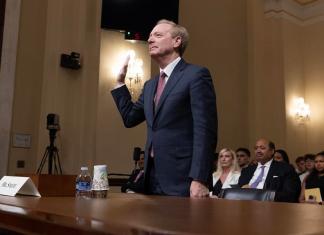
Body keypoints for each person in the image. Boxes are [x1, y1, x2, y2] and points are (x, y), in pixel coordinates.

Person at [111, 19, 217, 198]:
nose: (150, 40)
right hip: (151, 178)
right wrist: (120, 83)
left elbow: (205, 130)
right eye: (150, 36)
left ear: (177, 41)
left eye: (158, 35)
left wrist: (199, 178)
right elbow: (130, 118)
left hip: (183, 179)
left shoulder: (196, 75)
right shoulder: (150, 84)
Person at [238, 138, 301, 202]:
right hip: (245, 204)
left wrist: (260, 194)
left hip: (271, 206)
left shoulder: (285, 169)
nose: (258, 151)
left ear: (272, 151)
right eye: (256, 148)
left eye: (262, 148)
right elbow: (237, 192)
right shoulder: (246, 170)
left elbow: (290, 194)